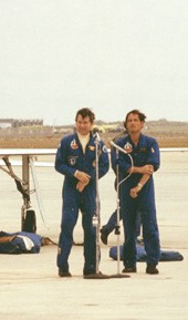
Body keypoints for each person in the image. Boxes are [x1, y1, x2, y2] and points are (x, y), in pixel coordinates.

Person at [53, 108, 109, 278]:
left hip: (90, 191)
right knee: (67, 225)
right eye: (79, 122)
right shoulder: (66, 142)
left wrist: (88, 179)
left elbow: (105, 165)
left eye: (85, 122)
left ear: (92, 124)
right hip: (71, 189)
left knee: (91, 229)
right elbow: (59, 164)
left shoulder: (99, 143)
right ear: (75, 122)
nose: (82, 125)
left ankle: (90, 267)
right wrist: (76, 174)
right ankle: (63, 266)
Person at [111, 109, 161, 274]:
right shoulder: (119, 144)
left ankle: (152, 262)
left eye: (135, 120)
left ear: (142, 123)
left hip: (144, 188)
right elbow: (120, 166)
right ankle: (130, 263)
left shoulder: (151, 143)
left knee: (150, 225)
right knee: (130, 227)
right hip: (126, 187)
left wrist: (139, 186)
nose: (132, 123)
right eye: (129, 120)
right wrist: (139, 169)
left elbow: (151, 167)